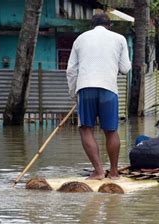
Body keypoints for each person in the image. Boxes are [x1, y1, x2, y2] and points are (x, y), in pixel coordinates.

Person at [66, 13, 131, 180]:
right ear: (109, 25)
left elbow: (71, 70)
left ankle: (99, 171)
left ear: (91, 25)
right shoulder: (119, 39)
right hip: (108, 88)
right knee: (111, 131)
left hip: (85, 87)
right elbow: (125, 68)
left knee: (85, 129)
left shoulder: (80, 39)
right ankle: (114, 172)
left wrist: (74, 93)